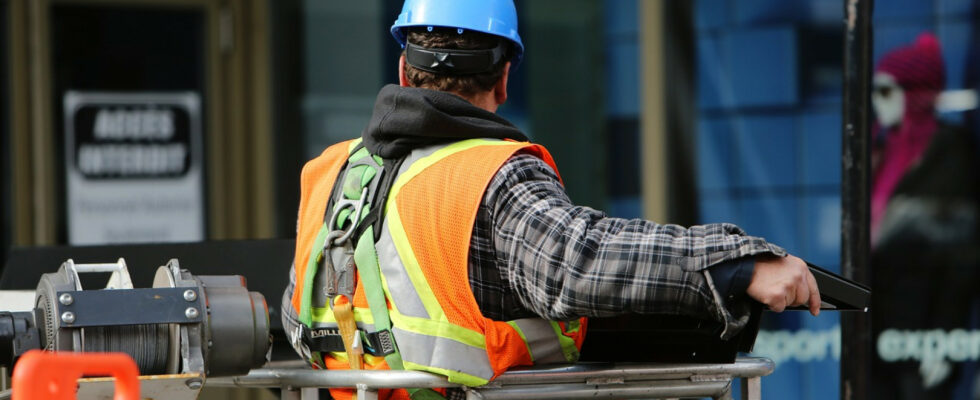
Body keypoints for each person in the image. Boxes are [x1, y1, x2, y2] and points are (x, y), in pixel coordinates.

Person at [281, 1, 820, 399]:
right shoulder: (490, 175)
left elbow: (298, 314)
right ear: (505, 77)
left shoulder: (330, 172)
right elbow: (576, 262)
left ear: (403, 70)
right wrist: (734, 264)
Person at [869, 33, 980, 400]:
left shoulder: (951, 154)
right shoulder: (879, 152)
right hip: (877, 327)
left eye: (886, 92)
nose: (876, 103)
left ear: (913, 93)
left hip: (926, 329)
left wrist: (946, 339)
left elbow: (960, 257)